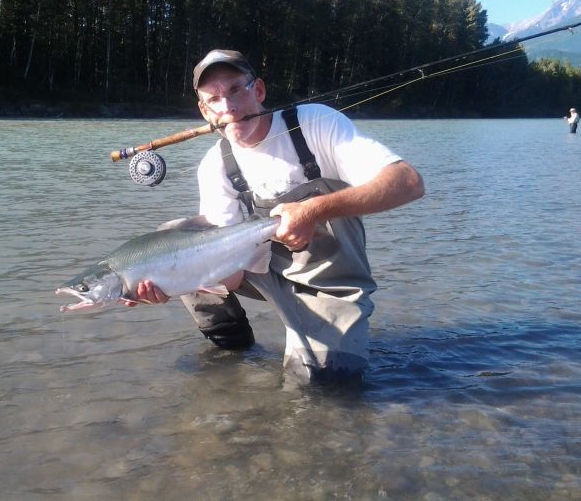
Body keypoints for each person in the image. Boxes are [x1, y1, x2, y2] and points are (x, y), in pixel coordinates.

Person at [124, 49, 425, 382]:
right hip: (261, 271)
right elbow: (233, 277)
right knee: (177, 238)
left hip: (331, 284)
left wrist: (314, 209)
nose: (228, 107)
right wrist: (171, 281)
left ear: (259, 90)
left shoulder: (315, 123)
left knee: (321, 391)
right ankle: (232, 350)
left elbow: (408, 183)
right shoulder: (215, 166)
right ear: (204, 110)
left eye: (236, 90)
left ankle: (320, 334)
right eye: (215, 99)